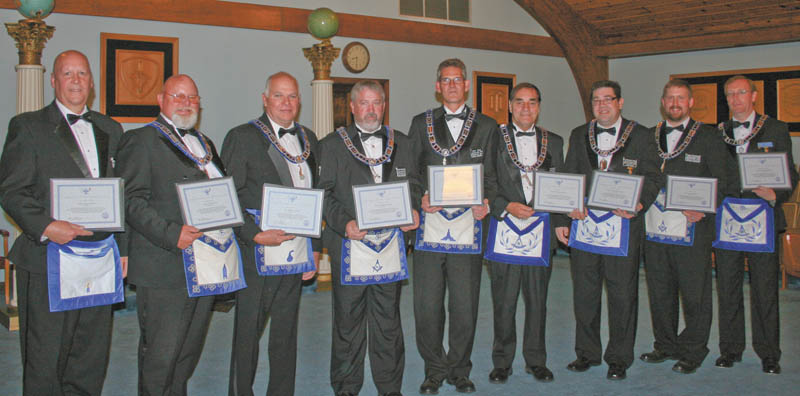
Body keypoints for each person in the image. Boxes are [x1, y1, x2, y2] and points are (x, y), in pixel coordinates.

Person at [0, 50, 126, 396]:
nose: (75, 81)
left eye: (82, 74)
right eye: (67, 74)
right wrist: (46, 225)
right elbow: (11, 190)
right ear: (53, 81)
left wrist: (123, 250)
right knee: (45, 357)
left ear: (91, 83)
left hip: (99, 259)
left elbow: (122, 195)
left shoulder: (111, 129)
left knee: (90, 355)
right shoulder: (27, 126)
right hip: (49, 259)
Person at [117, 74, 243, 395]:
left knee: (187, 354)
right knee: (161, 356)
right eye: (178, 96)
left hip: (205, 266)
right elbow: (130, 201)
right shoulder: (141, 140)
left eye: (193, 98)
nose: (187, 103)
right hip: (165, 266)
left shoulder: (205, 143)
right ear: (161, 100)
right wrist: (173, 234)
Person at [318, 80, 421, 396]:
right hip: (351, 245)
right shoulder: (332, 144)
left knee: (388, 323)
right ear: (351, 107)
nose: (371, 109)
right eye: (364, 103)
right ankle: (347, 388)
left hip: (390, 248)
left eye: (377, 102)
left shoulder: (402, 142)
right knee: (348, 323)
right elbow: (323, 195)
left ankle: (390, 388)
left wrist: (414, 209)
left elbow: (415, 184)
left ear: (384, 105)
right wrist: (344, 223)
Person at [221, 71, 320, 396]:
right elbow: (228, 196)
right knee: (247, 332)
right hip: (257, 252)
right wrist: (252, 234)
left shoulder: (309, 138)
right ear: (265, 99)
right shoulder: (242, 136)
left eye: (292, 96)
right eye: (279, 95)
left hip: (296, 252)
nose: (286, 102)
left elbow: (316, 195)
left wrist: (315, 249)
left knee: (285, 332)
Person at [554, 80, 661, 381]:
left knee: (622, 294)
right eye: (596, 101)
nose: (602, 105)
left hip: (623, 226)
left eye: (608, 99)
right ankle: (587, 353)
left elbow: (654, 178)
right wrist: (563, 217)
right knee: (585, 294)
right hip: (585, 225)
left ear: (620, 102)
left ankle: (619, 358)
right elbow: (568, 176)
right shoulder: (579, 134)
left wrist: (638, 204)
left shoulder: (641, 136)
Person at [408, 58, 498, 394]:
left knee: (464, 305)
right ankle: (434, 368)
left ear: (467, 85)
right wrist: (419, 199)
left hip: (469, 227)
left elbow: (492, 175)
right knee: (427, 305)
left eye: (457, 80)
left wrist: (485, 200)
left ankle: (460, 368)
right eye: (445, 80)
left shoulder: (487, 126)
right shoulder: (421, 123)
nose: (452, 85)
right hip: (430, 226)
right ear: (437, 86)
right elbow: (412, 172)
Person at [639, 79, 735, 374]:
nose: (675, 103)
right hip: (655, 227)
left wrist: (705, 209)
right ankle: (665, 344)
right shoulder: (649, 136)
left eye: (681, 98)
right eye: (670, 98)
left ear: (691, 102)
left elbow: (726, 181)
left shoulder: (709, 136)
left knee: (695, 292)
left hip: (693, 228)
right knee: (659, 289)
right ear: (663, 102)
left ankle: (694, 349)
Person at [713, 75, 798, 374]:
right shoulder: (719, 132)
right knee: (728, 287)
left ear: (754, 95)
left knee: (764, 289)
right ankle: (730, 349)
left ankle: (769, 353)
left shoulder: (775, 128)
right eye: (730, 94)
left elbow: (790, 171)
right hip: (727, 221)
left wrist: (777, 194)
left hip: (763, 218)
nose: (735, 99)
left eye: (741, 93)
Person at [484, 83, 562, 385]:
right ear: (510, 106)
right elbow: (487, 180)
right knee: (503, 300)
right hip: (505, 226)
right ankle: (502, 362)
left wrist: (559, 221)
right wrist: (506, 206)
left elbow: (561, 186)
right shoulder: (494, 139)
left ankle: (536, 360)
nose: (526, 108)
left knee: (537, 300)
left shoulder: (554, 141)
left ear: (539, 106)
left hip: (541, 232)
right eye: (520, 102)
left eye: (532, 102)